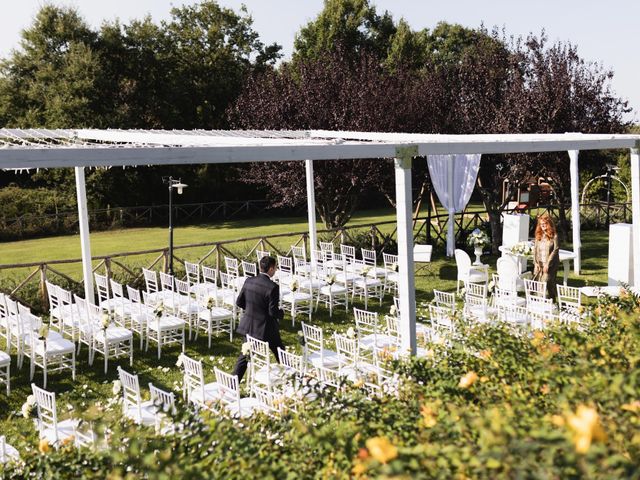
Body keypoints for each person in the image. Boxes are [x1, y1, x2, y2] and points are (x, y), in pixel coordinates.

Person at [231, 255, 285, 382]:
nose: (276, 270)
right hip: (266, 328)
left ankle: (233, 382)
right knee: (280, 352)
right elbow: (272, 312)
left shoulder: (249, 281)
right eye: (275, 268)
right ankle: (291, 376)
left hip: (249, 326)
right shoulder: (273, 287)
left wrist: (252, 310)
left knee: (245, 355)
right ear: (271, 269)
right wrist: (281, 313)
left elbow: (239, 302)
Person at [533, 214, 559, 300]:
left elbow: (555, 250)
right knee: (538, 283)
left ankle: (552, 301)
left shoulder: (554, 236)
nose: (543, 225)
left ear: (549, 224)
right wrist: (535, 263)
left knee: (548, 282)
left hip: (550, 264)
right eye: (541, 224)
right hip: (539, 263)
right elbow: (535, 250)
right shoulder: (538, 236)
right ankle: (539, 301)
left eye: (544, 223)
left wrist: (547, 264)